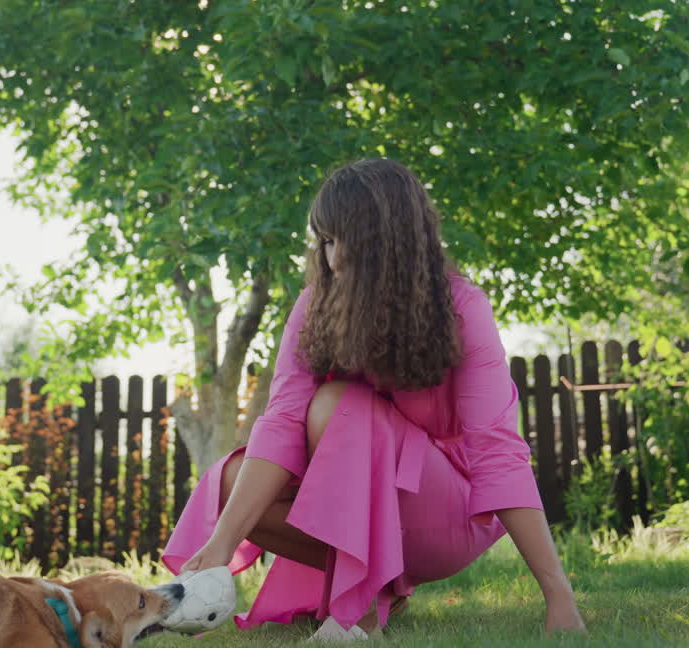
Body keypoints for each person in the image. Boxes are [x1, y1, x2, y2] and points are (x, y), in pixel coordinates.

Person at [162, 158, 587, 640]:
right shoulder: (313, 308)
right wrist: (221, 545)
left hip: (447, 515)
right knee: (233, 483)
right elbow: (280, 426)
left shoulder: (463, 307)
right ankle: (375, 581)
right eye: (321, 241)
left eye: (339, 240)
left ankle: (357, 616)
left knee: (341, 405)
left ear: (383, 242)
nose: (328, 258)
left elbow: (496, 452)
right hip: (367, 509)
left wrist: (558, 593)